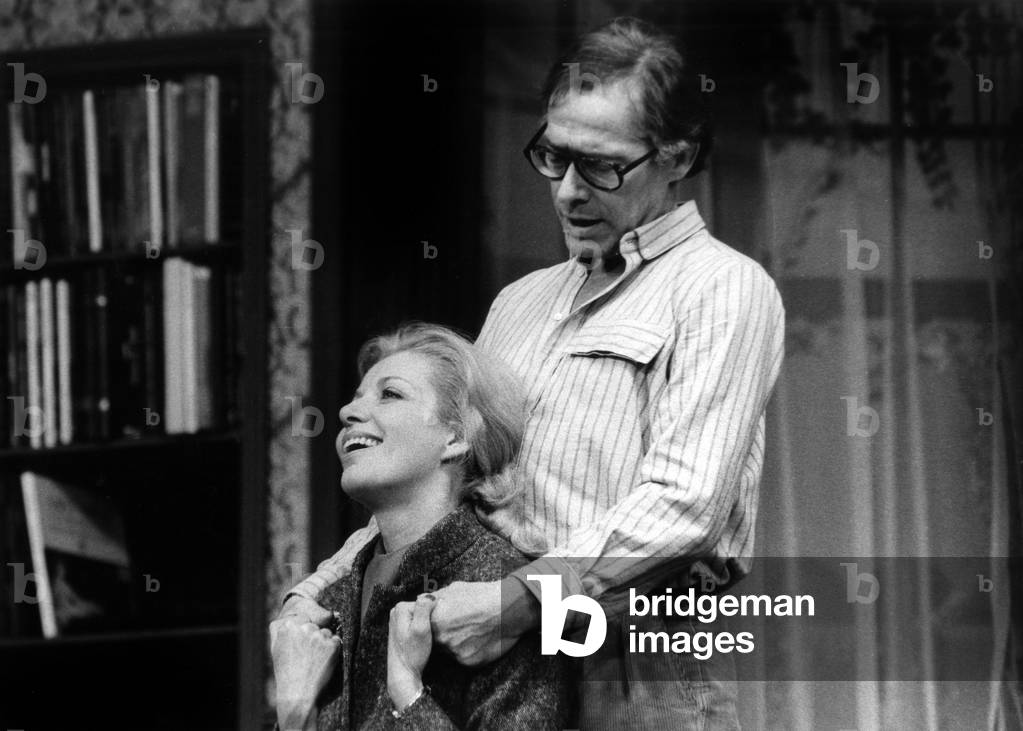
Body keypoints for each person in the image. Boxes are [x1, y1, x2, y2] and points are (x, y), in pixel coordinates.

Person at [281, 16, 785, 729]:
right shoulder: (519, 303)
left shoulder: (724, 288)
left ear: (676, 156)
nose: (568, 192)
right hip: (489, 655)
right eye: (553, 156)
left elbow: (683, 509)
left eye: (602, 165)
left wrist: (517, 602)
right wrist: (315, 594)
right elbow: (453, 482)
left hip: (634, 660)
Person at [270, 324, 567, 730]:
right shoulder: (329, 605)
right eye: (356, 398)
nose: (346, 412)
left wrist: (408, 694)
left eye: (390, 394)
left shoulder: (501, 595)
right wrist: (293, 710)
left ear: (456, 436)